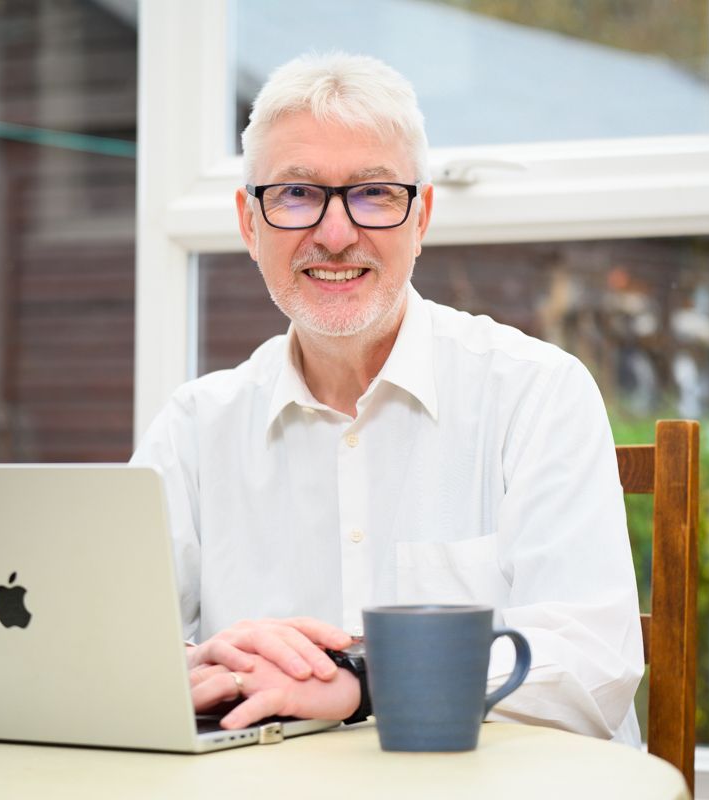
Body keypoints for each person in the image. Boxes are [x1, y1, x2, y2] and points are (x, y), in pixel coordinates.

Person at [130, 52, 644, 745]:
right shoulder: (193, 428)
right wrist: (191, 667)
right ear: (249, 226)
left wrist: (363, 683)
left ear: (421, 215)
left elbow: (592, 667)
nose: (335, 234)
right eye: (296, 194)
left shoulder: (536, 393)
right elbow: (111, 648)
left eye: (373, 194)